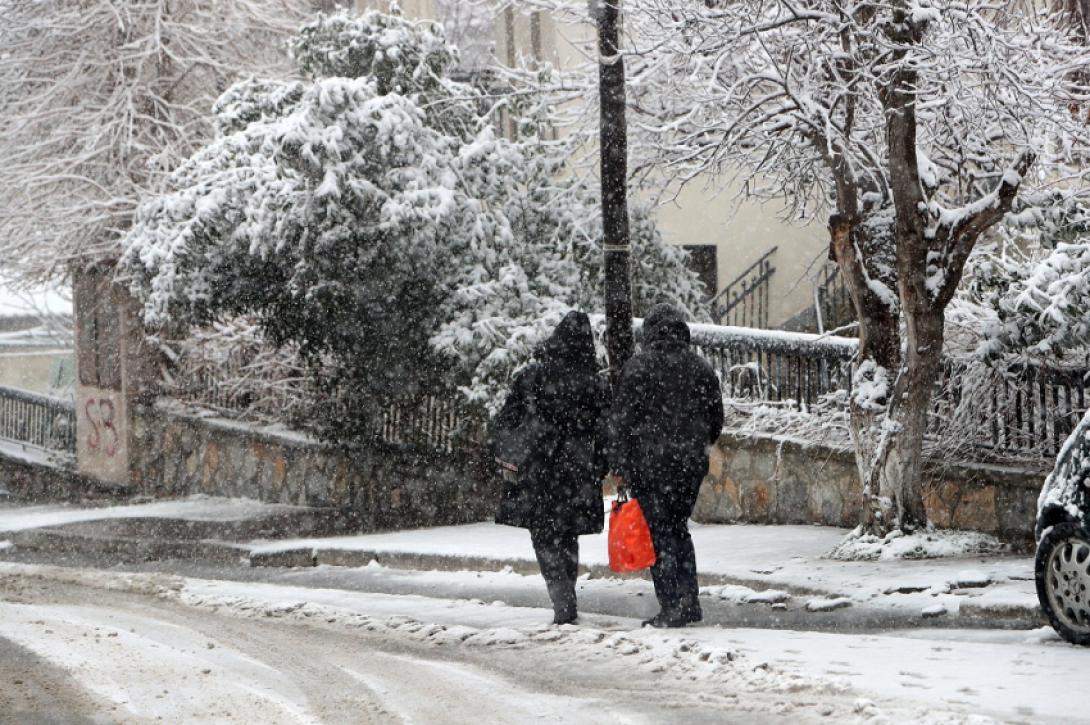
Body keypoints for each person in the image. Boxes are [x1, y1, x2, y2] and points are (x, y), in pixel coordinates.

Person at [608, 303, 724, 628]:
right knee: (678, 530)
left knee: (660, 535)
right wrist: (696, 448)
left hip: (650, 465)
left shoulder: (638, 367)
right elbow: (716, 420)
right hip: (689, 465)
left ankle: (672, 605)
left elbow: (621, 421)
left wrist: (620, 463)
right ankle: (689, 601)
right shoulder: (700, 367)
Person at [491, 311, 610, 625]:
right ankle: (566, 596)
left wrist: (514, 454)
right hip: (578, 471)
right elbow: (605, 430)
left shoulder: (532, 376)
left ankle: (561, 599)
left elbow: (505, 421)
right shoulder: (594, 383)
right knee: (568, 535)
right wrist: (599, 464)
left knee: (543, 535)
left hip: (538, 470)